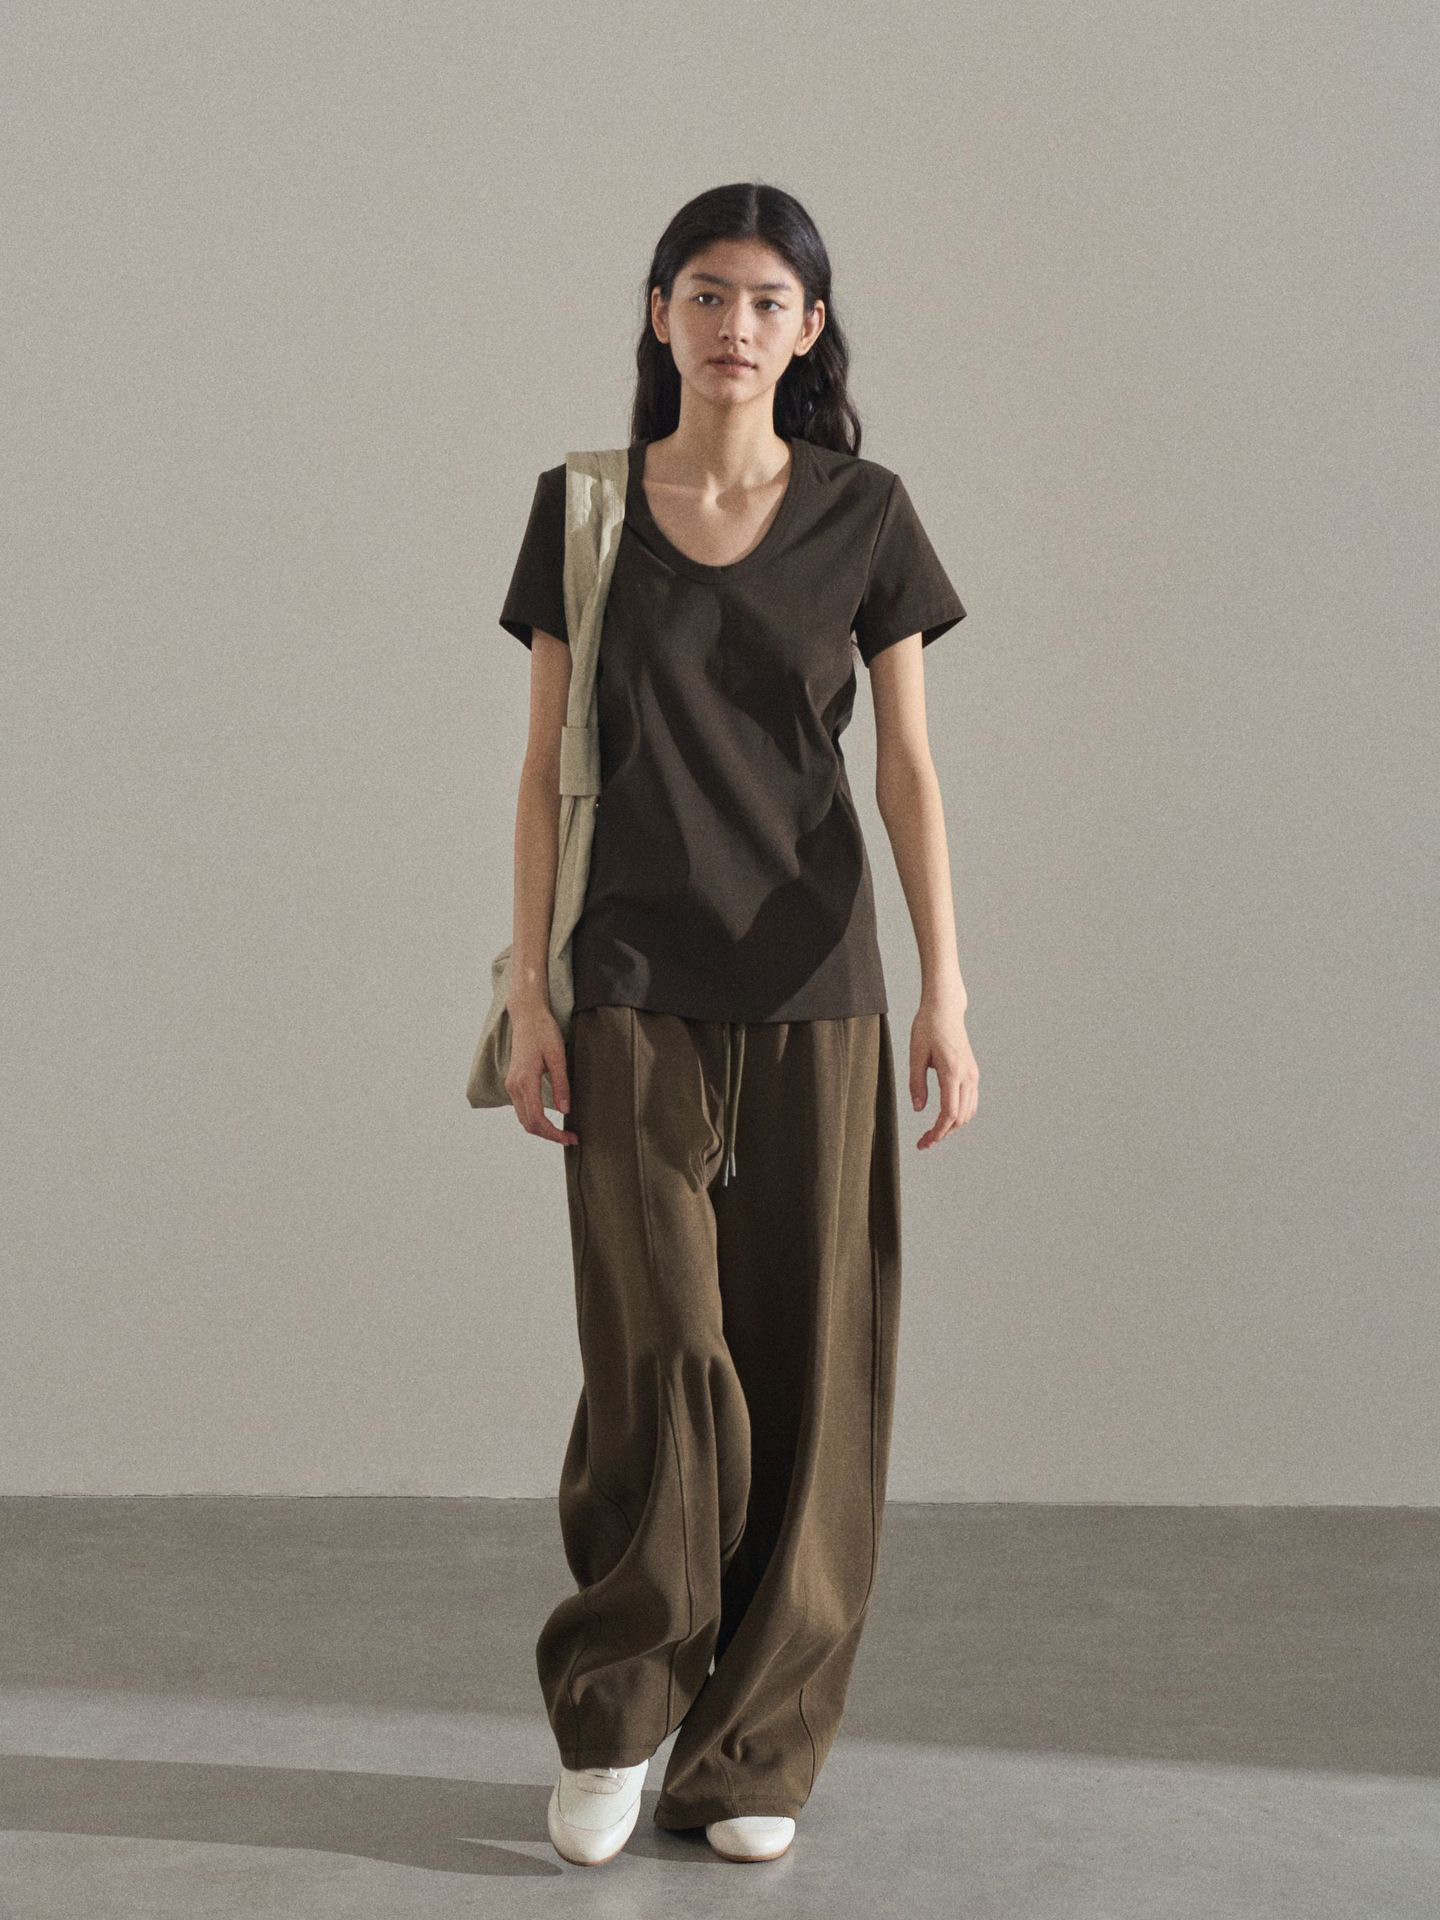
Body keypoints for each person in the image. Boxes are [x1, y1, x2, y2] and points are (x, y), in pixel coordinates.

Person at [496, 180, 981, 1868]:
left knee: (810, 1363)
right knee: (662, 1356)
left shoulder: (867, 514)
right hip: (630, 979)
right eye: (706, 294)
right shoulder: (583, 510)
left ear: (810, 329)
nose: (735, 325)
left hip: (816, 983)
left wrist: (947, 988)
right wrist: (530, 985)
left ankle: (755, 1744)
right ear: (659, 315)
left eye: (769, 300)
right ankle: (620, 1708)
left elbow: (906, 769)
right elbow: (543, 770)